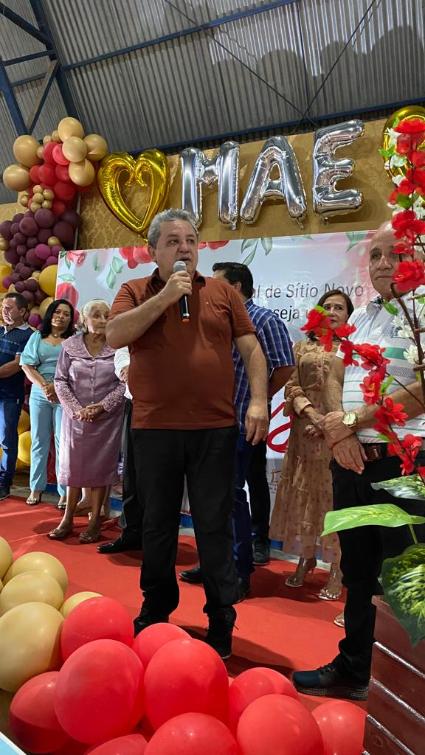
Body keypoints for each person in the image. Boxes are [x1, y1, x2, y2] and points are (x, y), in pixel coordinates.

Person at [107, 209, 269, 659]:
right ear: (153, 249)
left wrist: (258, 401)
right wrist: (164, 299)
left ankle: (221, 618)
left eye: (191, 240)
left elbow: (252, 349)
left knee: (213, 528)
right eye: (174, 241)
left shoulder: (221, 293)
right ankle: (156, 610)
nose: (184, 248)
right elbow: (115, 335)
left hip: (214, 430)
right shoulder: (134, 291)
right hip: (154, 429)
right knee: (156, 526)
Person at [293, 223, 425, 700]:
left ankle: (405, 688)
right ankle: (355, 670)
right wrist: (337, 434)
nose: (384, 264)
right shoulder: (364, 317)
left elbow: (420, 392)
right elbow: (339, 385)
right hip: (351, 461)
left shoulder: (423, 310)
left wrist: (349, 420)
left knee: (404, 578)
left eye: (397, 253)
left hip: (403, 463)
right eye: (376, 256)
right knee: (359, 573)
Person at [180, 262, 294, 594]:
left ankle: (238, 572)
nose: (209, 290)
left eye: (218, 284)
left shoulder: (264, 319)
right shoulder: (212, 319)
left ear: (238, 287)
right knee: (206, 497)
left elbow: (284, 366)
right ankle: (214, 563)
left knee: (229, 497)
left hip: (239, 420)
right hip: (204, 419)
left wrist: (260, 398)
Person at [270, 290, 354, 600]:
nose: (332, 311)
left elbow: (355, 390)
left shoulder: (354, 350)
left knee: (334, 502)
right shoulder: (302, 346)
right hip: (304, 435)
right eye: (327, 306)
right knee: (303, 498)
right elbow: (292, 387)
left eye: (339, 307)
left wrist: (332, 423)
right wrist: (311, 415)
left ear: (349, 315)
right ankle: (306, 558)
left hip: (339, 437)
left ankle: (337, 569)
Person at [48, 299, 125, 544]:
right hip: (75, 418)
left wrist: (102, 407)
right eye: (96, 315)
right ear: (83, 319)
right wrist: (76, 409)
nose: (102, 320)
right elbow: (60, 380)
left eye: (106, 315)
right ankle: (67, 518)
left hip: (107, 420)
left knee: (101, 469)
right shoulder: (70, 345)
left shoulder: (118, 347)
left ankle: (95, 521)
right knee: (73, 468)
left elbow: (124, 383)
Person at [20, 299, 75, 506]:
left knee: (63, 445)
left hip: (65, 395)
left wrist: (57, 387)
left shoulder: (74, 340)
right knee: (38, 442)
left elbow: (78, 368)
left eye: (66, 314)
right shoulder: (37, 337)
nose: (61, 316)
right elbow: (27, 365)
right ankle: (36, 488)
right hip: (39, 394)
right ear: (50, 314)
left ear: (71, 319)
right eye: (57, 312)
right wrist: (45, 386)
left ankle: (64, 492)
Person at [98, 346, 143, 553]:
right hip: (135, 402)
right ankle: (130, 532)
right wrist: (125, 367)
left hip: (167, 405)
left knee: (161, 477)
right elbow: (123, 348)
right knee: (131, 473)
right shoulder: (135, 315)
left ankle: (156, 537)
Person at [0, 293, 32, 500]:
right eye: (3, 307)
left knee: (6, 439)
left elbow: (16, 366)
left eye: (9, 308)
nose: (4, 311)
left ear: (22, 311)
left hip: (10, 396)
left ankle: (4, 483)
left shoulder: (29, 335)